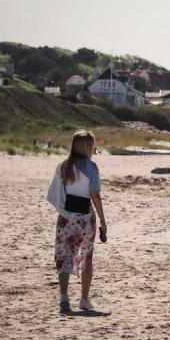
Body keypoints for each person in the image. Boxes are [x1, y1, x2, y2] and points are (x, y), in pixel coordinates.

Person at [47, 130, 107, 313]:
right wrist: (103, 221)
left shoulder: (62, 166)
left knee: (65, 254)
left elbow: (55, 193)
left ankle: (64, 297)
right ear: (88, 147)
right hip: (85, 218)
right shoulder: (91, 167)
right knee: (86, 257)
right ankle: (84, 300)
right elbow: (95, 195)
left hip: (66, 218)